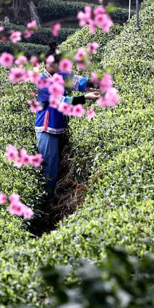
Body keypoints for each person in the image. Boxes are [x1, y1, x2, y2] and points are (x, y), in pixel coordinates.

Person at [36, 42, 100, 196]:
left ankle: (50, 197)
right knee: (49, 167)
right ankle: (47, 199)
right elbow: (61, 101)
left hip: (57, 126)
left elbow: (78, 81)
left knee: (54, 165)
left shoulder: (59, 75)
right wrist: (85, 97)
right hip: (46, 128)